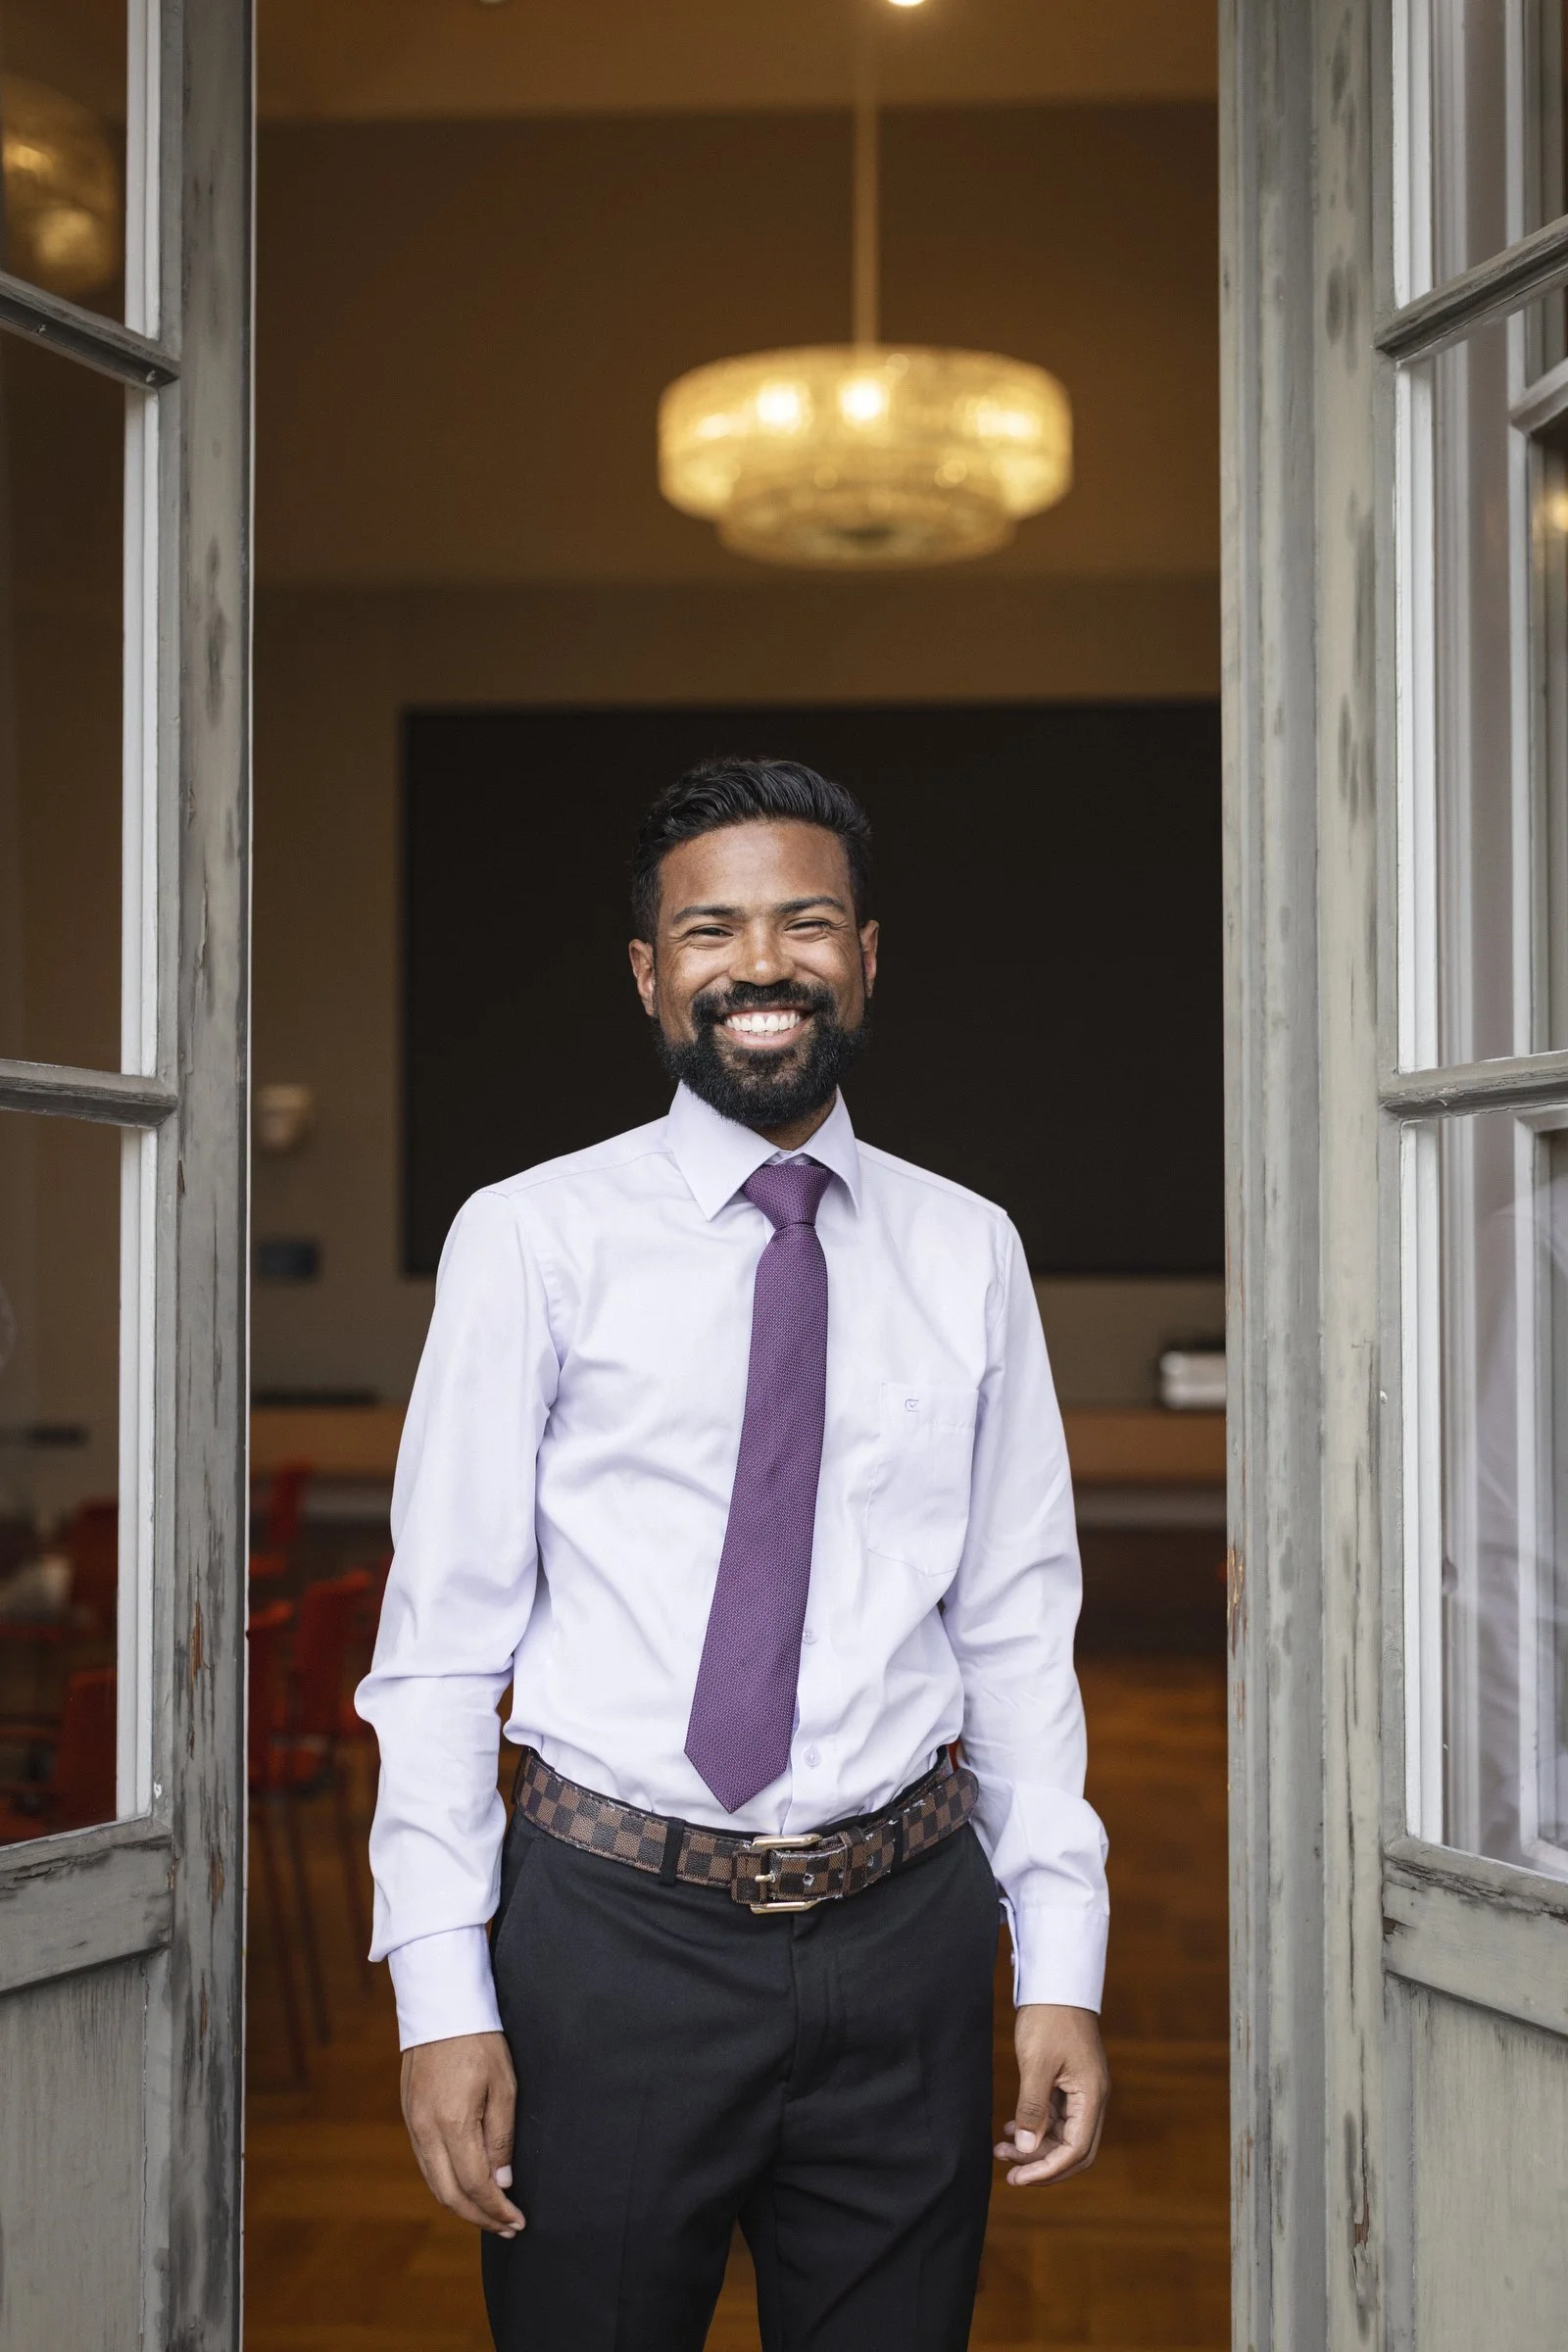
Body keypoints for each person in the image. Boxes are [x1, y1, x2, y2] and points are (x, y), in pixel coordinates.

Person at [356, 757, 1110, 2352]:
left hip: (906, 1937)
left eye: (807, 923)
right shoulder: (532, 1238)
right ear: (650, 973)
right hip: (610, 1942)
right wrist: (443, 1992)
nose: (762, 965)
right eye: (712, 931)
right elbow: (440, 1644)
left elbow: (1018, 1633)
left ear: (867, 956)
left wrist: (1061, 1961)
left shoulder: (969, 1246)